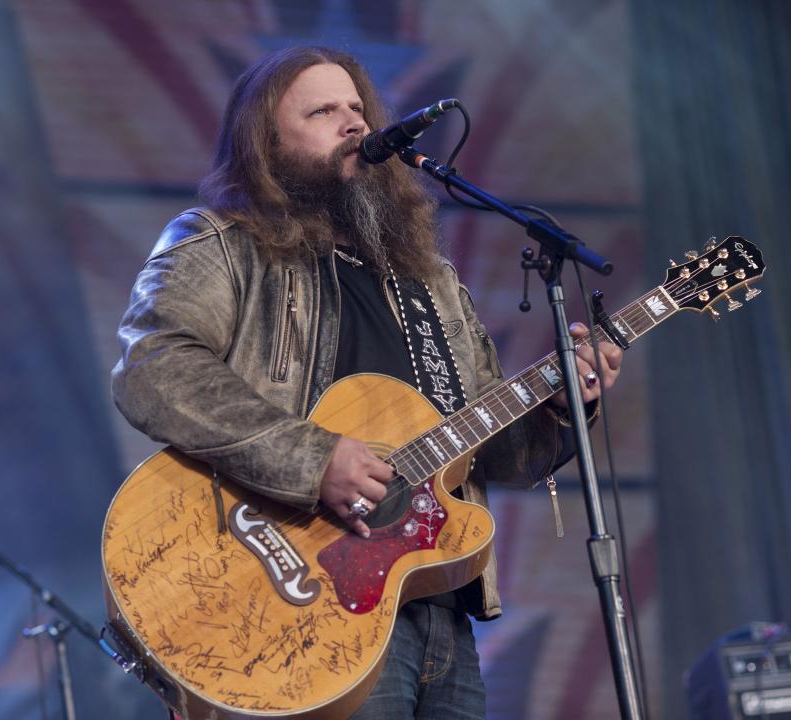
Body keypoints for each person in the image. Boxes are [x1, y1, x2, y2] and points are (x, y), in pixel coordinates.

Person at [112, 46, 623, 720]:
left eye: (357, 108)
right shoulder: (221, 243)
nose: (353, 123)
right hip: (294, 600)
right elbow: (153, 366)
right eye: (323, 111)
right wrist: (314, 459)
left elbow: (500, 453)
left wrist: (564, 403)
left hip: (433, 606)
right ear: (267, 142)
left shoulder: (431, 282)